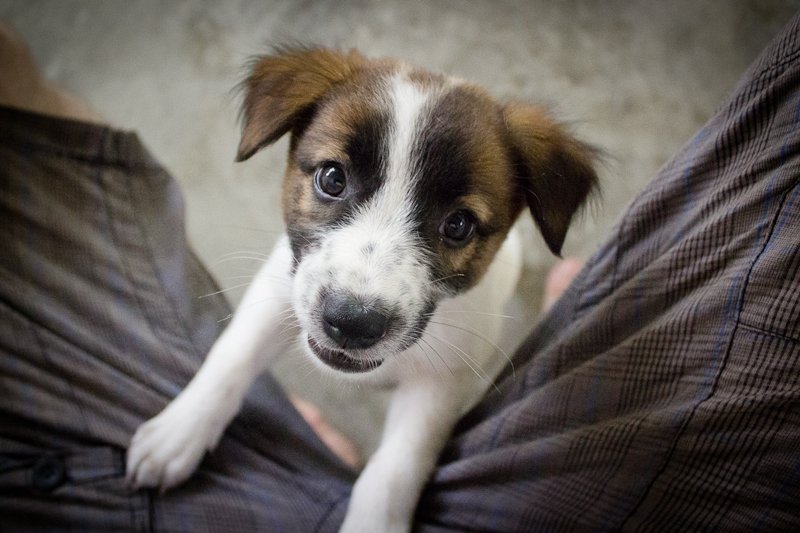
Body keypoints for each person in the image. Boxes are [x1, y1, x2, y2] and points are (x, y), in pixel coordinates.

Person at [1, 12, 797, 531]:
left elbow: (435, 384)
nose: (359, 291)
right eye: (333, 179)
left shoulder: (521, 170)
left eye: (457, 225)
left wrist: (387, 489)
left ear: (525, 209)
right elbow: (271, 309)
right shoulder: (311, 205)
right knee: (271, 318)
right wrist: (207, 402)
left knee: (425, 398)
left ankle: (342, 454)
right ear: (285, 145)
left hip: (455, 335)